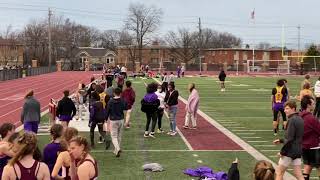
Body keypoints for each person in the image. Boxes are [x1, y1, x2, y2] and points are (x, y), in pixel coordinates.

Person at [273, 100, 304, 180]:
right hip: (298, 150)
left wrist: (282, 152)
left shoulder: (291, 120)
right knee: (299, 175)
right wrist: (281, 140)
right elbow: (296, 136)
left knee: (279, 172)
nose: (284, 110)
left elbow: (290, 139)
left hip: (289, 152)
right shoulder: (300, 119)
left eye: (287, 108)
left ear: (293, 109)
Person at [299, 95, 320, 180]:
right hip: (314, 146)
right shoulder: (311, 118)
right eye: (313, 103)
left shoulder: (299, 116)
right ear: (308, 105)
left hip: (303, 146)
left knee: (307, 166)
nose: (314, 105)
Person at [106, 87, 128, 157]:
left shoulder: (110, 101)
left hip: (113, 120)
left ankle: (117, 148)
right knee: (119, 135)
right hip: (121, 119)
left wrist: (106, 118)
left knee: (114, 136)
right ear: (120, 93)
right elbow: (126, 108)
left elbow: (107, 111)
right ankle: (116, 150)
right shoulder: (122, 100)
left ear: (114, 93)